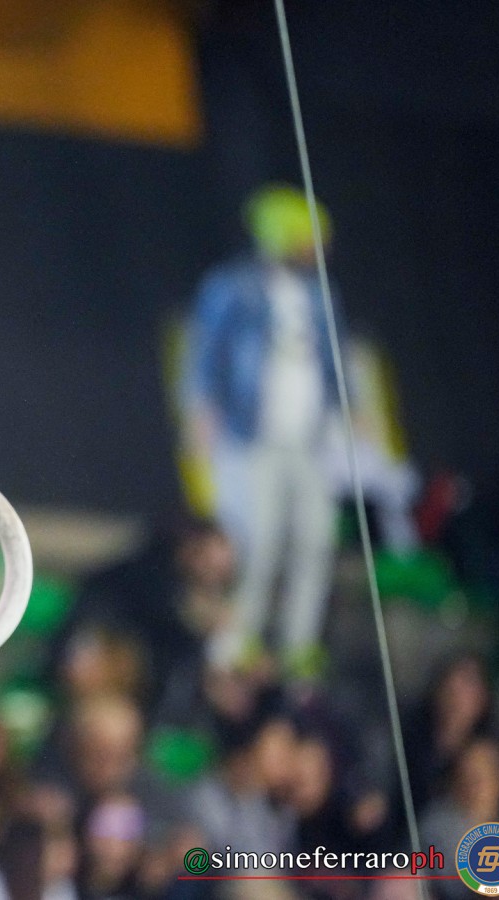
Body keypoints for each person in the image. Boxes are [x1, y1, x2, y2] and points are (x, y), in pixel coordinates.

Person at [187, 183, 345, 681]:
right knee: (257, 540)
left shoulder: (320, 294)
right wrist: (201, 412)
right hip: (250, 436)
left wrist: (348, 412)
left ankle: (299, 642)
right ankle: (241, 635)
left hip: (308, 440)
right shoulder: (232, 286)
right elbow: (205, 354)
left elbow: (333, 359)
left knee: (316, 538)